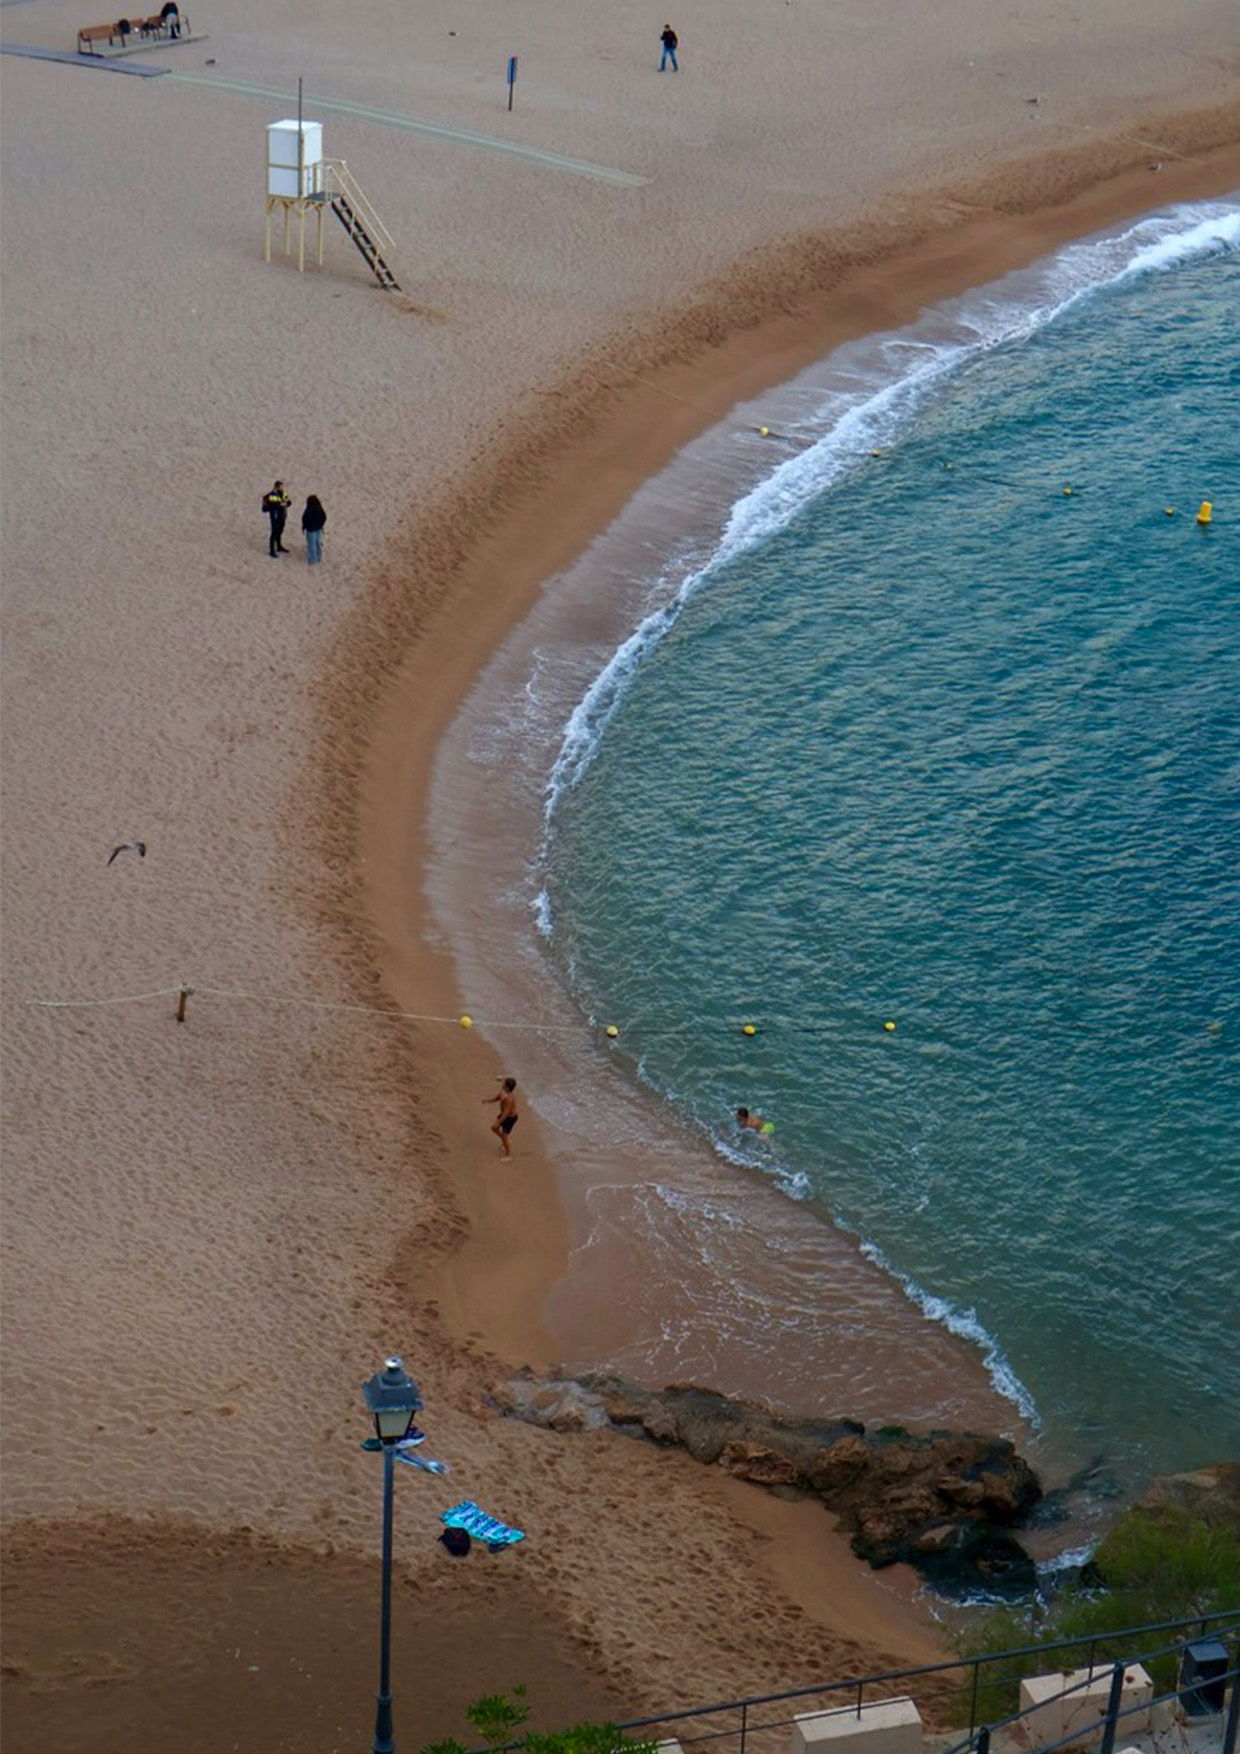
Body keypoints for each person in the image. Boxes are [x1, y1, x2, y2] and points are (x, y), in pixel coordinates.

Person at [484, 1077, 520, 1157]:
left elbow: (506, 1113)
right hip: (503, 1115)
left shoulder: (509, 1099)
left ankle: (508, 1155)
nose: (502, 1084)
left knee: (504, 1135)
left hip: (510, 1118)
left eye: (504, 1083)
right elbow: (497, 1098)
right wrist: (488, 1101)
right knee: (494, 1128)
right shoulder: (503, 1092)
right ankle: (504, 1141)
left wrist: (499, 1122)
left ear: (507, 1087)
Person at [262, 481, 291, 557]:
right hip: (275, 516)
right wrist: (280, 504)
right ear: (276, 487)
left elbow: (289, 502)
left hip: (282, 516)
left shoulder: (283, 493)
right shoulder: (271, 495)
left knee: (280, 531)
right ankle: (272, 550)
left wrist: (285, 503)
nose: (282, 488)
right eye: (280, 487)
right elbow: (271, 505)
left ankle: (279, 546)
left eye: (282, 487)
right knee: (274, 532)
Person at [301, 494, 326, 564]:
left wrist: (305, 527)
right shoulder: (319, 508)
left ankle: (313, 559)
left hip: (311, 529)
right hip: (319, 528)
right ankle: (318, 557)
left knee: (312, 544)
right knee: (318, 543)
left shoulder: (308, 510)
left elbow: (304, 519)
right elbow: (324, 517)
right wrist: (321, 524)